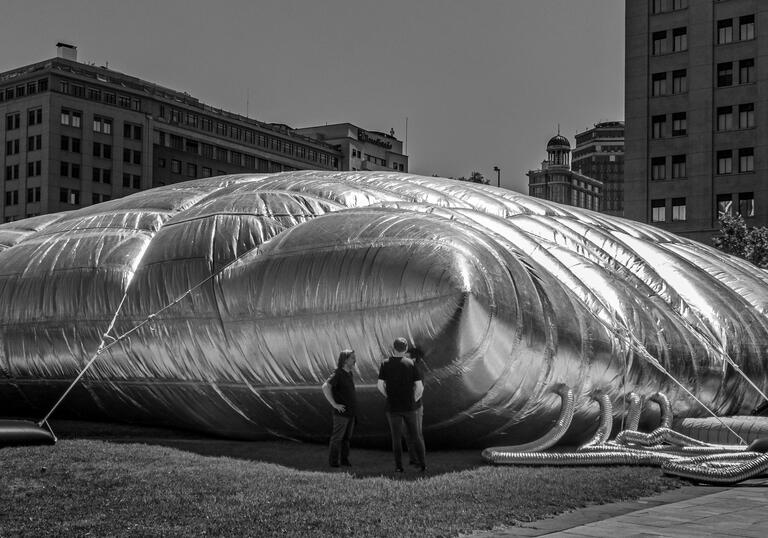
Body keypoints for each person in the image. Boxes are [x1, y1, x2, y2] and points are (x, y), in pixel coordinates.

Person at [377, 337, 426, 473]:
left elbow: (380, 385)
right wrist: (413, 399)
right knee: (416, 436)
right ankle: (423, 465)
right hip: (409, 407)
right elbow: (420, 387)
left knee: (396, 438)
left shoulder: (385, 363)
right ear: (405, 349)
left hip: (392, 408)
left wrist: (388, 396)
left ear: (394, 348)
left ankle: (399, 467)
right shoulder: (411, 363)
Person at [321, 349, 357, 468]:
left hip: (350, 413)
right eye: (352, 358)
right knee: (337, 438)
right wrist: (334, 404)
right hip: (341, 414)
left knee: (347, 438)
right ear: (345, 360)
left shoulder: (349, 373)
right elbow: (325, 387)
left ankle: (344, 460)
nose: (354, 360)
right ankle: (333, 462)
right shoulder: (338, 374)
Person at [402, 346, 425, 467]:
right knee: (407, 433)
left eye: (406, 356)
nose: (403, 358)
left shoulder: (417, 370)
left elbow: (420, 390)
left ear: (413, 359)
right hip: (406, 408)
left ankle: (420, 460)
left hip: (414, 408)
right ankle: (413, 459)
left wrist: (411, 404)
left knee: (416, 434)